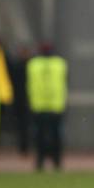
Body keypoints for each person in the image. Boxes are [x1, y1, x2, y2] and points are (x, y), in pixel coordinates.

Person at [26, 43, 68, 171]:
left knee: (39, 137)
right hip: (56, 105)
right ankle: (56, 162)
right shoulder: (60, 64)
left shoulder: (33, 64)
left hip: (39, 105)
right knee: (56, 137)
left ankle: (40, 161)